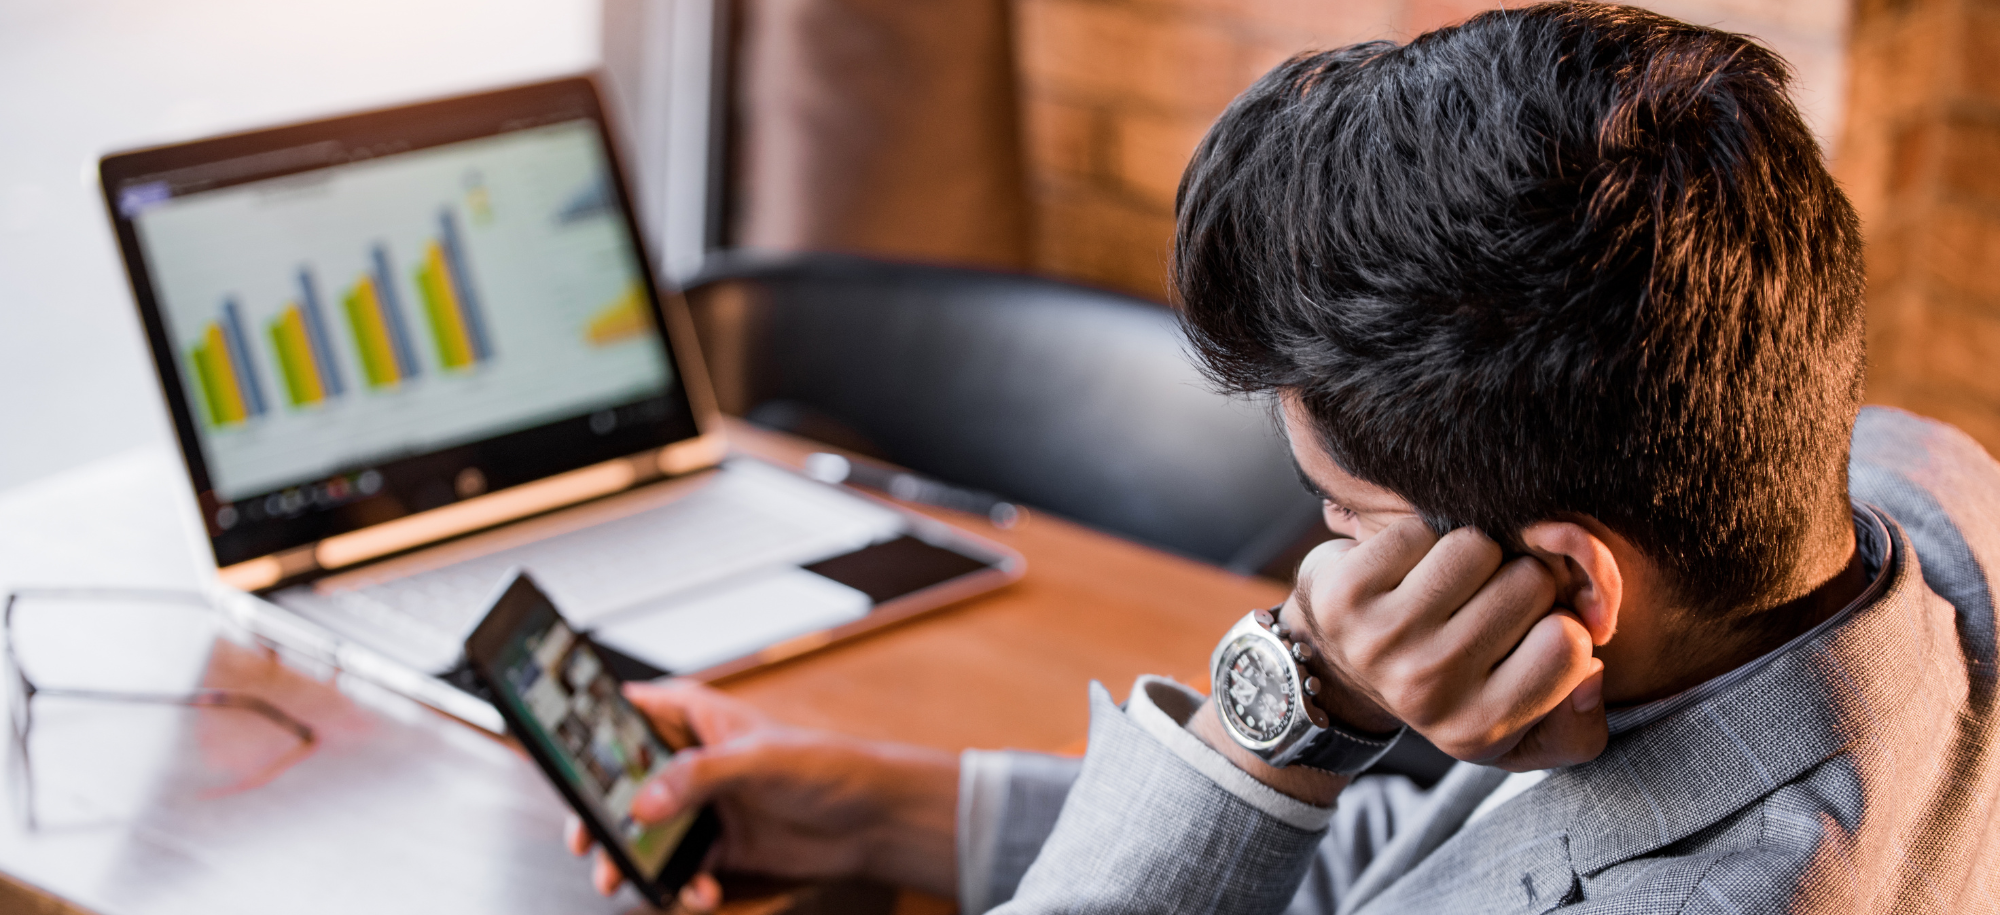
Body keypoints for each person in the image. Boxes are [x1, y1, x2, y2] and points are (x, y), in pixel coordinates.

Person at [571, 3, 2000, 911]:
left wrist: (1298, 694)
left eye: (1342, 512)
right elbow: (1447, 853)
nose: (1321, 565)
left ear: (1567, 585)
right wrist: (889, 811)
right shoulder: (1917, 489)